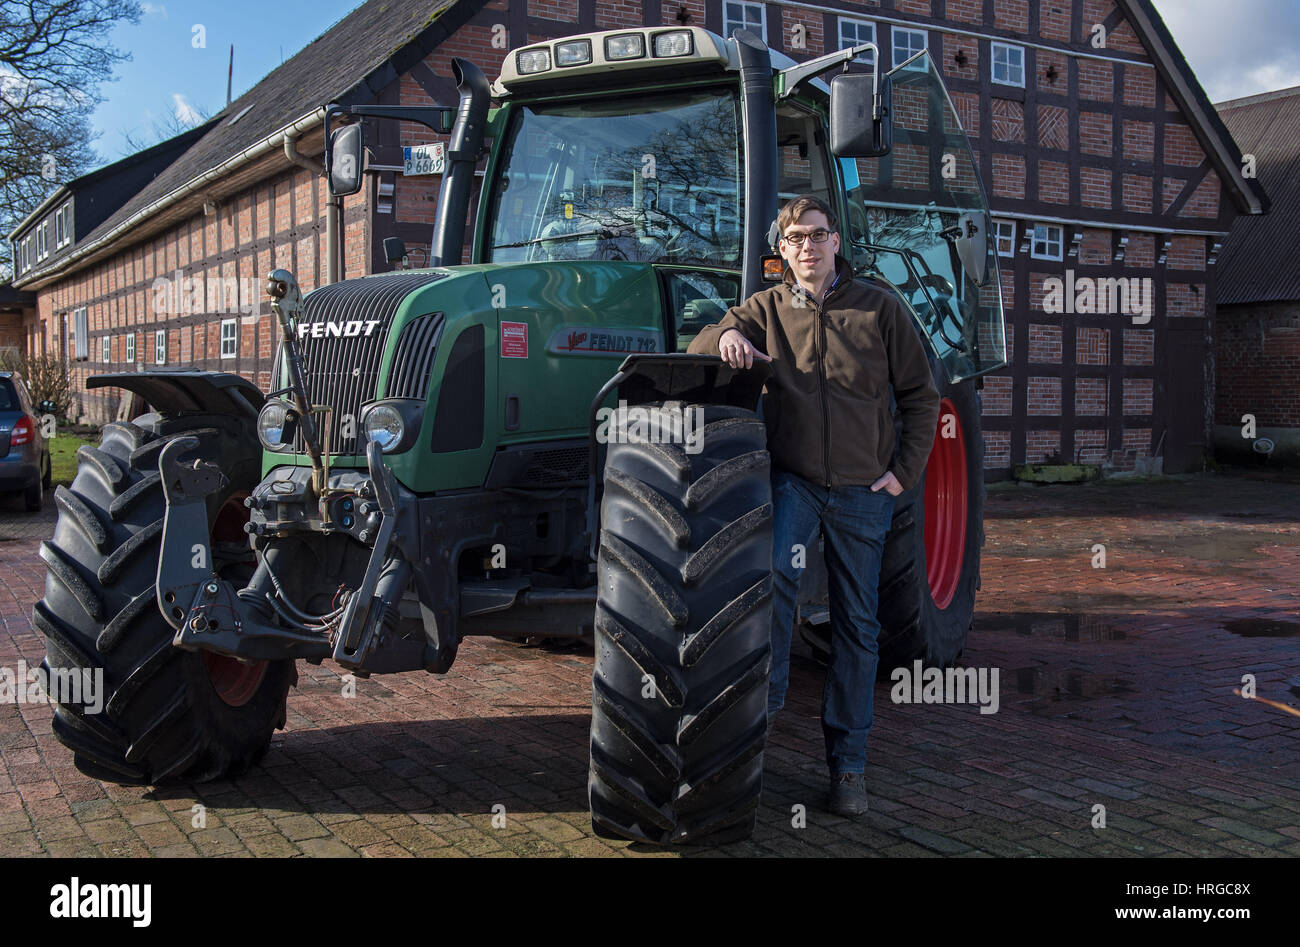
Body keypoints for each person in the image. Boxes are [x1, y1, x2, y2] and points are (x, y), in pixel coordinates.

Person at [686, 194, 940, 816]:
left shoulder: (880, 308)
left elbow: (922, 397)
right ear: (782, 249)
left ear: (835, 242)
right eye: (795, 238)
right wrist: (728, 339)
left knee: (858, 626)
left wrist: (902, 475)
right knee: (770, 585)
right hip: (795, 480)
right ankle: (760, 724)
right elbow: (699, 344)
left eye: (817, 236)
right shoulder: (768, 307)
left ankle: (848, 766)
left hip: (863, 492)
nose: (807, 247)